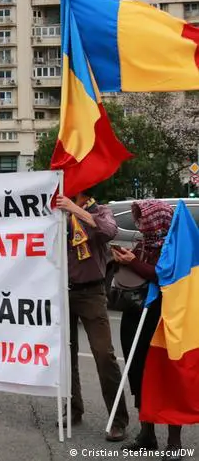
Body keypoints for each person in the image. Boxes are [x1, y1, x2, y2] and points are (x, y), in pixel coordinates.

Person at [112, 201, 184, 457]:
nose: (141, 225)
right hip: (135, 316)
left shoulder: (175, 246)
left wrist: (133, 263)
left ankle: (174, 441)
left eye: (144, 219)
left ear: (159, 220)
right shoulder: (144, 243)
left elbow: (165, 276)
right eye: (138, 219)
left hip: (163, 318)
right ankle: (147, 434)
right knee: (138, 373)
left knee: (166, 376)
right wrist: (122, 259)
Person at [56, 188, 128, 441]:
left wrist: (75, 210)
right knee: (67, 355)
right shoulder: (56, 213)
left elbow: (109, 232)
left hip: (91, 293)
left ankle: (118, 419)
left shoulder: (100, 211)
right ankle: (73, 409)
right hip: (62, 292)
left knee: (103, 355)